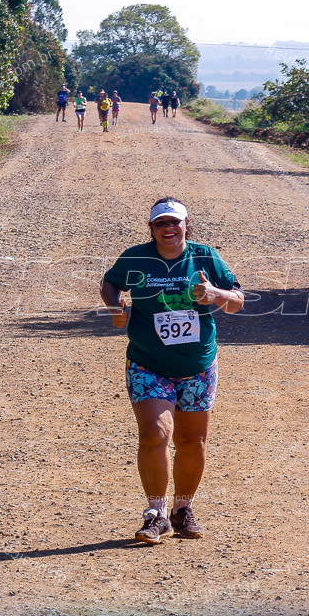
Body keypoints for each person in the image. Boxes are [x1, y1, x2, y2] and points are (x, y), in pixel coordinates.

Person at [100, 198, 245, 544]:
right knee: (154, 433)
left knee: (192, 441)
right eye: (160, 223)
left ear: (186, 224)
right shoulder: (136, 257)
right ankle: (156, 513)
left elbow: (238, 301)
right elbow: (110, 283)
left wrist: (215, 293)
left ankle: (183, 509)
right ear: (151, 228)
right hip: (148, 363)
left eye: (174, 222)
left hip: (197, 365)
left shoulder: (206, 256)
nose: (168, 228)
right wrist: (114, 306)